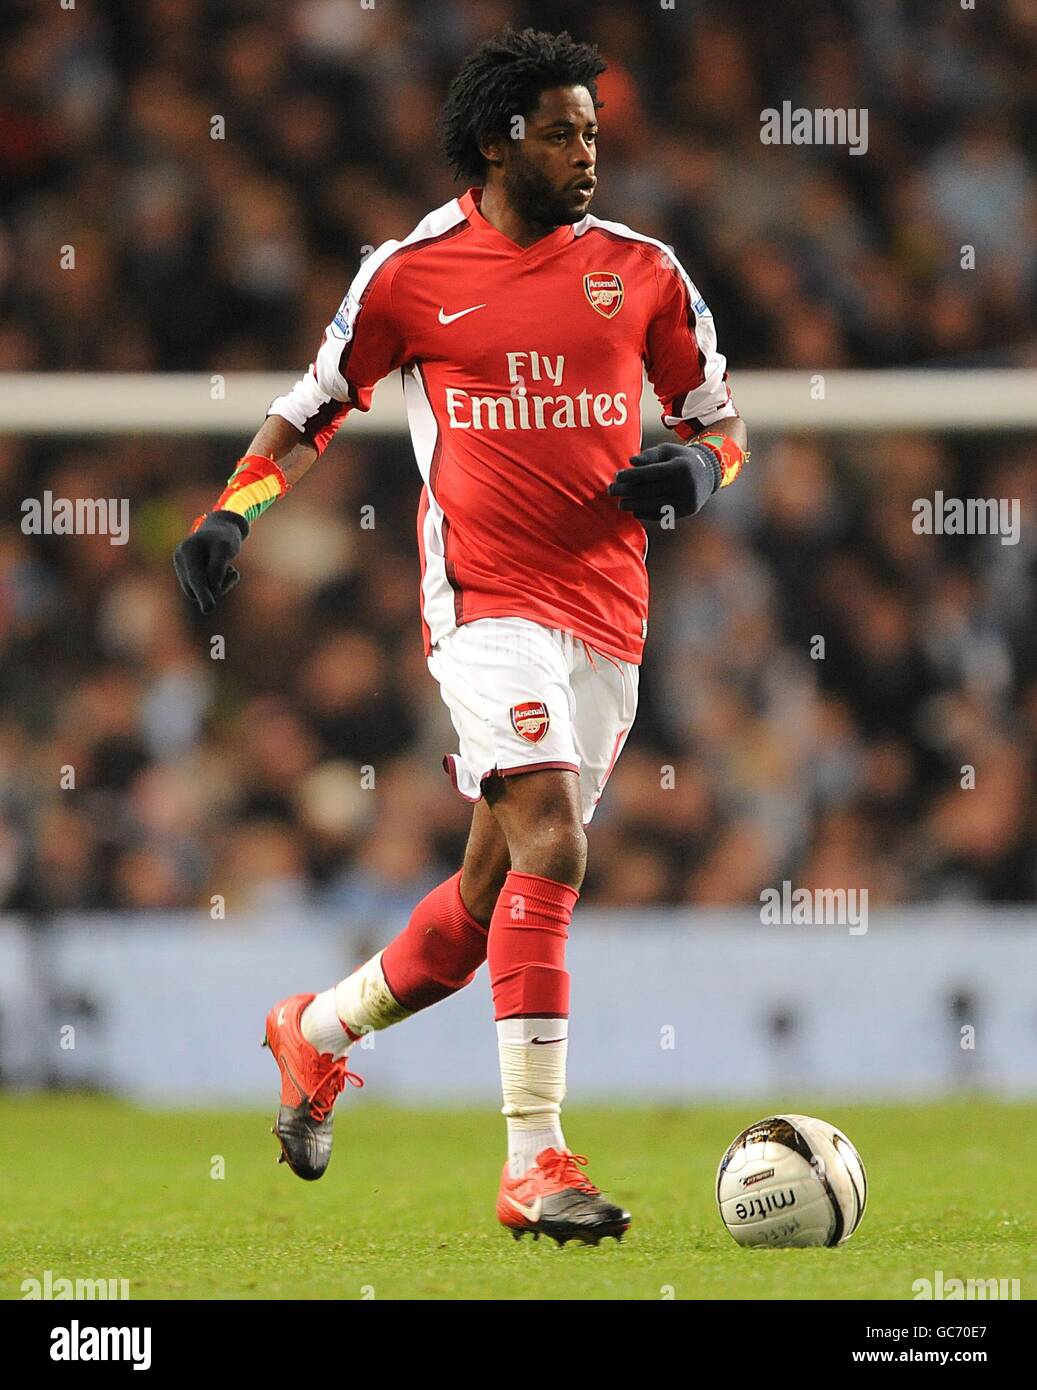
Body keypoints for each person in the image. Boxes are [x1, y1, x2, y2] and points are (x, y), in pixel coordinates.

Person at [174, 26, 749, 1246]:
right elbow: (312, 406)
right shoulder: (409, 273)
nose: (586, 152)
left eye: (592, 131)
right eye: (560, 132)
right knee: (552, 840)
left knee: (489, 896)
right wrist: (236, 510)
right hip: (482, 604)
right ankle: (533, 1162)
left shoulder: (643, 271)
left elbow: (720, 420)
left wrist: (694, 472)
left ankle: (312, 1032)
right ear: (497, 142)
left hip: (608, 616)